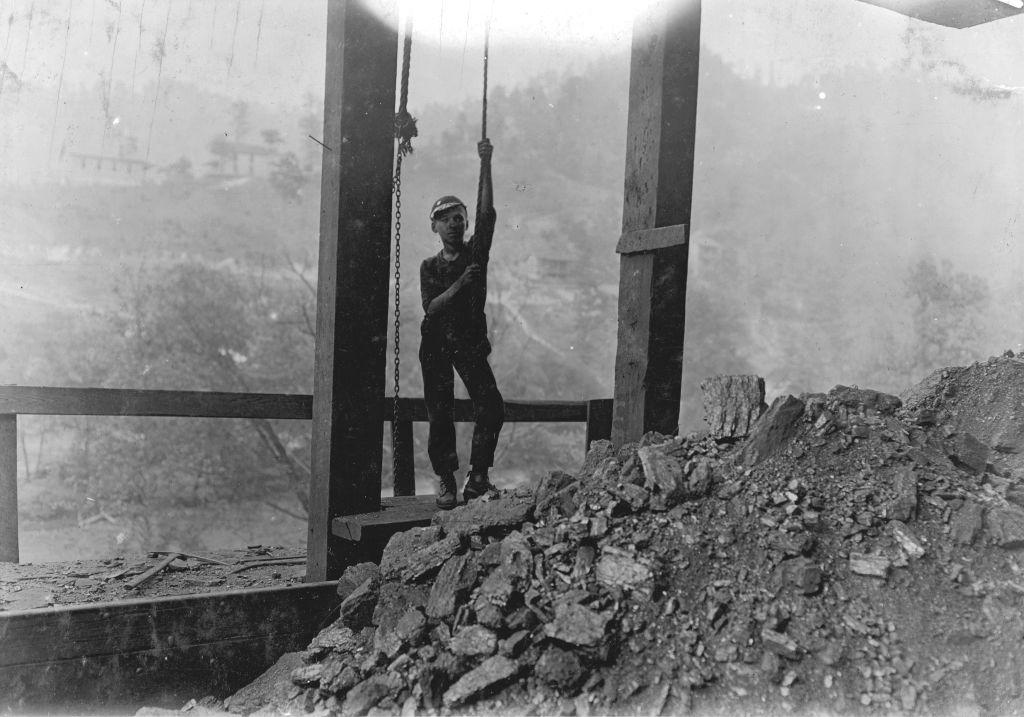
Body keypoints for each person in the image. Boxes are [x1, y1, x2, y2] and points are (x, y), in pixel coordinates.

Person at [419, 138, 504, 510]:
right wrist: (461, 285)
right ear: (434, 225)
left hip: (468, 341)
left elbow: (488, 215)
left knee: (491, 406)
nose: (455, 223)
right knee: (440, 412)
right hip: (436, 342)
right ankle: (445, 478)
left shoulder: (475, 254)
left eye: (459, 217)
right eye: (447, 218)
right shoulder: (430, 266)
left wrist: (485, 164)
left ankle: (478, 476)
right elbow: (431, 307)